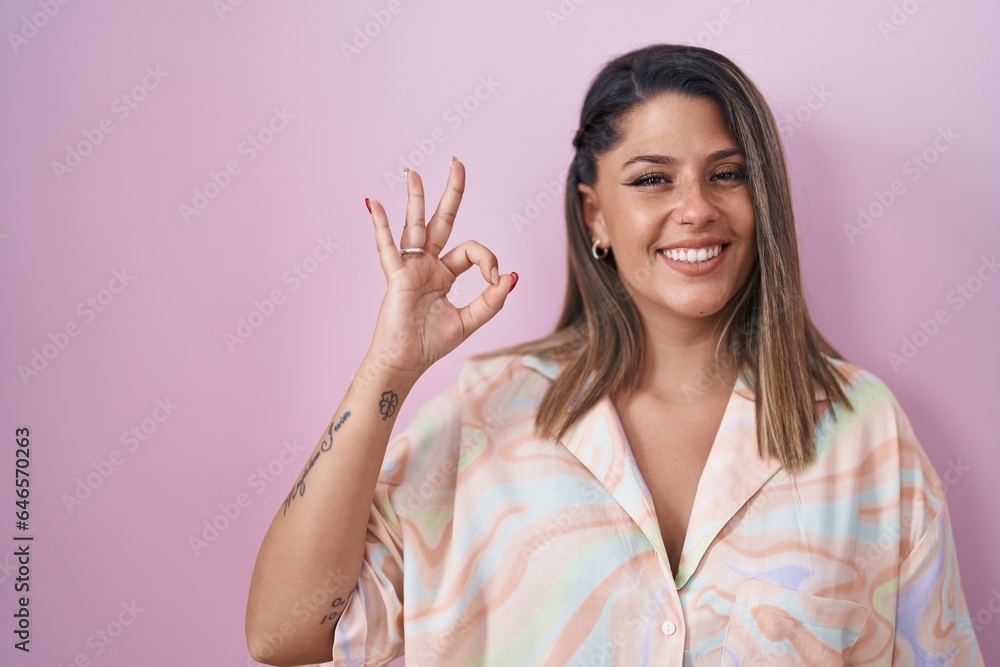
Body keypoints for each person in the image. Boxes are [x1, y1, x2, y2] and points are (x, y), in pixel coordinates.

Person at [245, 44, 984, 666]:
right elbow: (285, 630)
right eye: (652, 179)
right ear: (595, 212)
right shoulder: (487, 413)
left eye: (727, 174)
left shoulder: (865, 430)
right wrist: (389, 369)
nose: (695, 207)